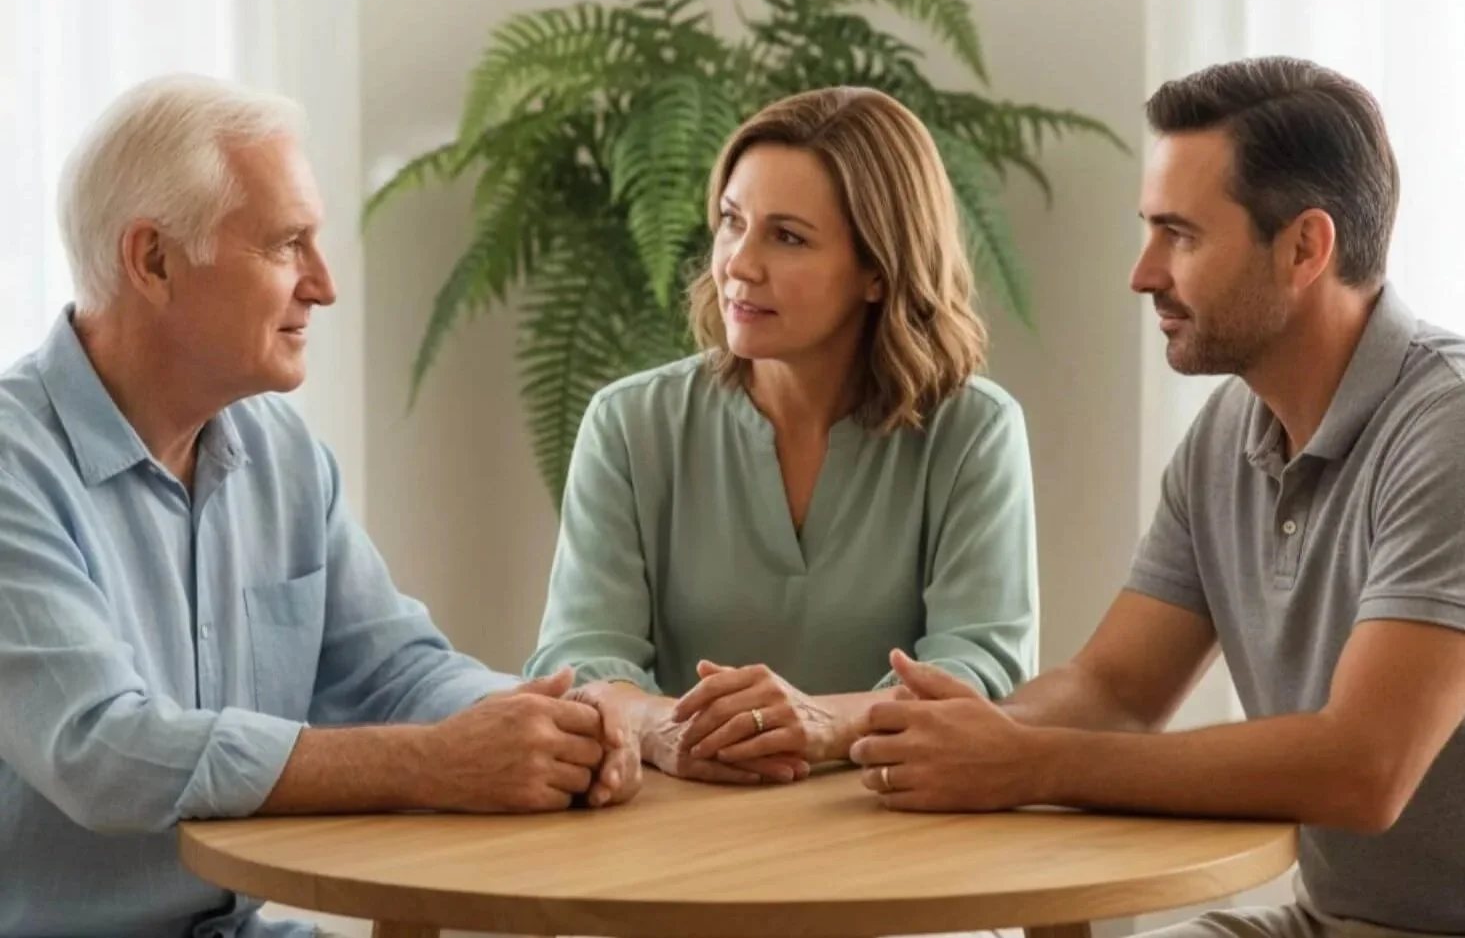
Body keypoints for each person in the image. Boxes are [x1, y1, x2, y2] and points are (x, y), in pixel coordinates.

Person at [0, 76, 637, 938]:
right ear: (152, 259)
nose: (324, 284)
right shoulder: (13, 463)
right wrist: (432, 765)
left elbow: (394, 671)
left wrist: (556, 720)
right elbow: (102, 751)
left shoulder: (281, 452)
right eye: (286, 244)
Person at [851, 57, 1465, 938]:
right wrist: (937, 736)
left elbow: (1363, 768)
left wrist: (1029, 764)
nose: (1143, 273)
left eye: (1179, 234)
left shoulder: (1444, 427)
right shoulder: (1230, 429)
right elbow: (1113, 687)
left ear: (1304, 247)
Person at [527, 86, 1038, 789]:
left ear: (877, 270)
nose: (739, 262)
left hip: (896, 826)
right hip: (676, 828)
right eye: (732, 222)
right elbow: (581, 658)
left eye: (787, 236)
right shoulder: (628, 423)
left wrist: (826, 722)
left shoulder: (974, 430)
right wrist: (664, 727)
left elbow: (976, 672)